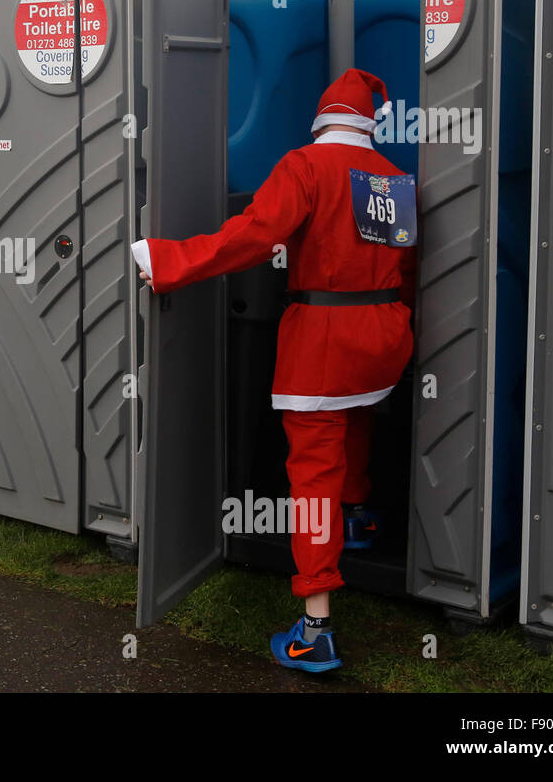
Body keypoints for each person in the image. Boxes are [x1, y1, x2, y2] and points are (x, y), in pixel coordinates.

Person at [132, 68, 416, 673]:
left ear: (321, 117)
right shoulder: (393, 177)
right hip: (385, 336)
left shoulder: (305, 166)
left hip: (325, 340)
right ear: (371, 123)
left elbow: (257, 235)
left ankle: (315, 628)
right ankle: (359, 515)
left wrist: (171, 261)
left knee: (313, 474)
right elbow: (406, 264)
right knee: (358, 415)